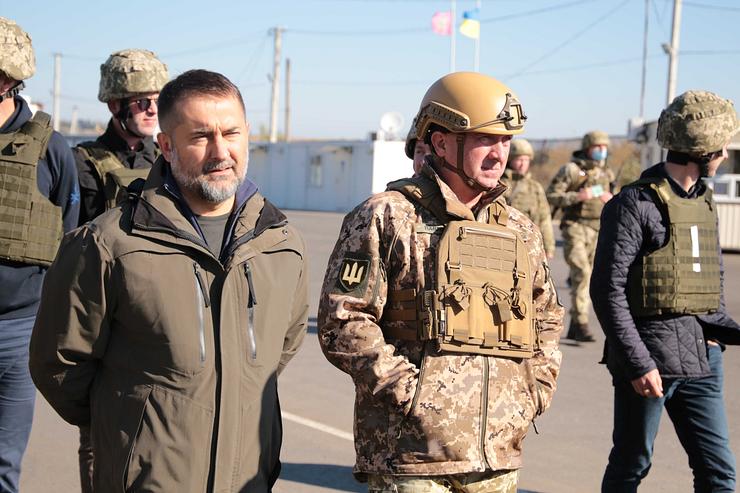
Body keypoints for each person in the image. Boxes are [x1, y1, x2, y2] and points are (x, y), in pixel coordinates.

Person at [29, 69, 308, 492]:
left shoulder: (281, 244)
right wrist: (134, 426)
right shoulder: (108, 245)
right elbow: (59, 363)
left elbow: (282, 346)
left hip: (248, 479)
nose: (220, 151)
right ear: (165, 145)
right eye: (200, 137)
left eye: (231, 133)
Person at [318, 72, 563, 493]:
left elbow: (547, 317)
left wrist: (534, 391)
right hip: (413, 459)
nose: (499, 154)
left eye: (505, 141)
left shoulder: (520, 230)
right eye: (485, 139)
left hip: (497, 459)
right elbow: (343, 321)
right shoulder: (386, 217)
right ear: (441, 142)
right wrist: (412, 395)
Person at [591, 90, 739, 492]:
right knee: (631, 465)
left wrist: (718, 334)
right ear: (703, 150)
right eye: (722, 146)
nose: (726, 154)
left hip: (702, 358)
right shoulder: (634, 204)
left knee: (719, 473)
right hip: (650, 358)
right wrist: (638, 363)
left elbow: (710, 281)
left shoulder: (705, 201)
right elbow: (607, 291)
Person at [0, 17, 79, 493]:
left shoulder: (51, 148)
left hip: (17, 329)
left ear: (7, 78)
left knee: (4, 463)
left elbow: (68, 232)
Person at [75, 49, 168, 225]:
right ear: (115, 106)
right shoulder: (81, 163)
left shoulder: (168, 159)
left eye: (158, 101)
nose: (153, 110)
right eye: (143, 102)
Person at [546, 130, 614, 342]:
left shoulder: (606, 173)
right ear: (587, 148)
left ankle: (576, 324)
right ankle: (581, 322)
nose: (601, 151)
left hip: (597, 229)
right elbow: (552, 195)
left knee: (590, 277)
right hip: (575, 227)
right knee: (582, 272)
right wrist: (578, 196)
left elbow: (613, 195)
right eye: (597, 147)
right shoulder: (572, 170)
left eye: (604, 147)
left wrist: (611, 199)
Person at [501, 139, 555, 259]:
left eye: (526, 160)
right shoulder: (500, 184)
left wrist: (549, 247)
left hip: (529, 244)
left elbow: (544, 217)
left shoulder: (534, 187)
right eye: (519, 160)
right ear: (510, 160)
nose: (523, 164)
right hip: (505, 242)